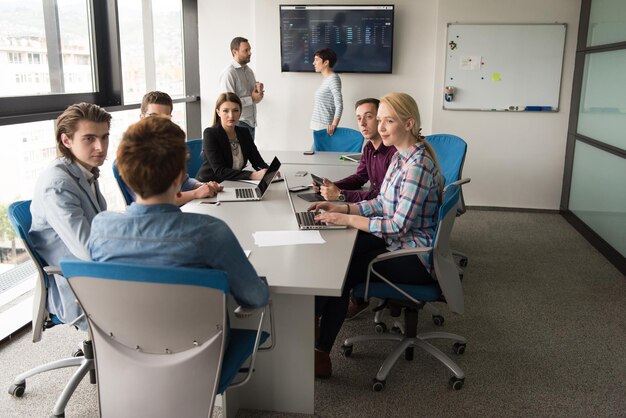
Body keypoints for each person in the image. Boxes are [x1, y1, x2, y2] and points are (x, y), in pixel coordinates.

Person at [309, 92, 444, 378]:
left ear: (408, 124)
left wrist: (347, 218)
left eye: (388, 121)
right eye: (379, 120)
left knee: (343, 270)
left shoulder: (417, 166)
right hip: (398, 242)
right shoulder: (401, 157)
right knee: (340, 252)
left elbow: (397, 225)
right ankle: (313, 324)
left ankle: (318, 348)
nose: (380, 127)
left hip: (414, 255)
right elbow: (381, 203)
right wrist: (342, 205)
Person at [89, 116, 269, 310]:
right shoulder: (210, 233)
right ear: (180, 177)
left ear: (124, 176)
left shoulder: (100, 228)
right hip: (202, 339)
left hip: (121, 338)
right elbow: (255, 297)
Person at [30, 103, 112, 330]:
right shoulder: (58, 185)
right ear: (67, 141)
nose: (100, 147)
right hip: (79, 285)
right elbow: (87, 250)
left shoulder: (83, 171)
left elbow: (100, 226)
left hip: (94, 273)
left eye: (105, 137)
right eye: (89, 139)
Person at [131, 91, 222, 206]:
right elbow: (154, 201)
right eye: (153, 116)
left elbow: (185, 181)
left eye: (165, 118)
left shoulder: (170, 147)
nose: (159, 122)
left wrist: (203, 186)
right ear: (142, 118)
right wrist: (195, 193)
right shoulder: (132, 154)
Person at [314, 98, 396, 203]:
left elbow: (383, 196)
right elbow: (360, 177)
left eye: (369, 117)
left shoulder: (394, 153)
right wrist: (331, 186)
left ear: (380, 119)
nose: (362, 123)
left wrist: (341, 195)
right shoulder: (368, 148)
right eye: (359, 118)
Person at [196, 92, 270, 182]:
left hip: (233, 182)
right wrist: (252, 175)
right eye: (225, 111)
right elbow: (220, 171)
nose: (231, 115)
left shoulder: (244, 133)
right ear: (218, 112)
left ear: (240, 112)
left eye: (235, 110)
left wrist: (269, 172)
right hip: (209, 185)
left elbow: (257, 161)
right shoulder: (210, 134)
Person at [219, 36, 264, 140]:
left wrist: (258, 93)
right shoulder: (229, 73)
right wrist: (251, 98)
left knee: (247, 156)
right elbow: (228, 103)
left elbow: (254, 99)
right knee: (239, 156)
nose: (250, 53)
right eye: (246, 50)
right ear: (235, 52)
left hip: (251, 123)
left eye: (250, 50)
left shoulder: (249, 71)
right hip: (238, 123)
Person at [310, 48, 343, 136]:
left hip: (324, 129)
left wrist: (334, 125)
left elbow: (339, 104)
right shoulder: (326, 79)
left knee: (314, 150)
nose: (314, 63)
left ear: (326, 62)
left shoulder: (333, 79)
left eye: (316, 60)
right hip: (317, 127)